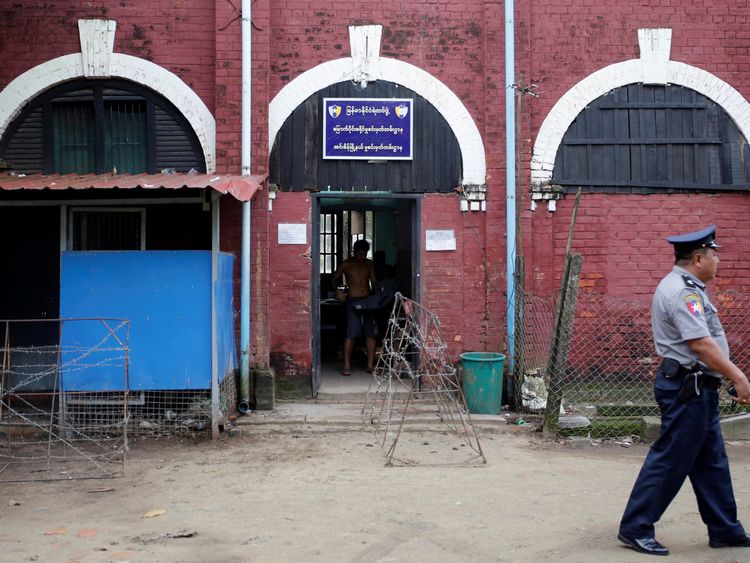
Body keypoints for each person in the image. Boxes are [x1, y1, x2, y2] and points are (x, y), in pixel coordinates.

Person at [618, 225, 750, 556]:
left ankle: (724, 529)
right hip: (686, 389)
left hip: (698, 388)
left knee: (711, 461)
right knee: (671, 460)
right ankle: (635, 528)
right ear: (697, 258)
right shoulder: (682, 293)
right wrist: (739, 377)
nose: (718, 261)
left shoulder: (689, 287)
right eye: (714, 256)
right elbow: (701, 345)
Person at [332, 239, 378, 375]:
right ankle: (346, 365)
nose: (361, 257)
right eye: (359, 254)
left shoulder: (369, 264)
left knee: (371, 333)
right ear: (354, 252)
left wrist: (378, 298)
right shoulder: (346, 264)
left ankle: (370, 365)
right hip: (352, 301)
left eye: (364, 254)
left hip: (368, 301)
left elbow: (374, 283)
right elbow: (334, 279)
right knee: (351, 333)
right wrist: (338, 291)